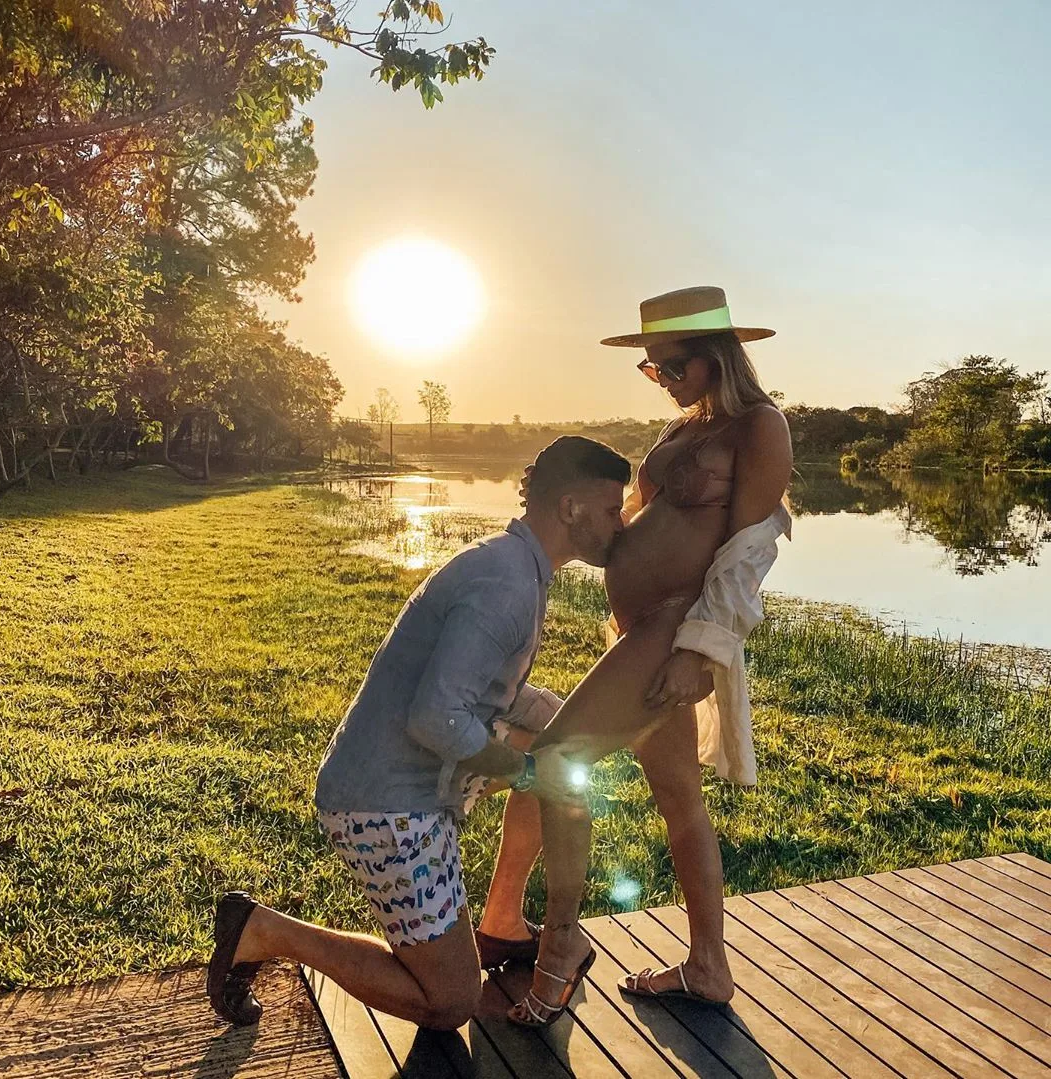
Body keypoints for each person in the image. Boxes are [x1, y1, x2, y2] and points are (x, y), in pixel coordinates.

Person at [206, 436, 631, 1030]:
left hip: (414, 781)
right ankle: (265, 931)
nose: (621, 525)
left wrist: (574, 723)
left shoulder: (517, 567)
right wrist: (525, 771)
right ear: (570, 509)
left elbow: (489, 697)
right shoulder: (506, 584)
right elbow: (435, 718)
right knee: (450, 1002)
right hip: (384, 804)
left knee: (552, 750)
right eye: (613, 510)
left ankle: (502, 924)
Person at [479, 285, 793, 1026]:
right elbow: (633, 530)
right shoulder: (686, 430)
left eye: (672, 365)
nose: (664, 379)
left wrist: (700, 648)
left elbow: (748, 553)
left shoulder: (760, 426)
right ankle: (706, 965)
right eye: (651, 369)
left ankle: (558, 949)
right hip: (638, 631)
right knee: (677, 795)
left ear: (716, 354)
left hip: (673, 630)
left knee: (551, 761)